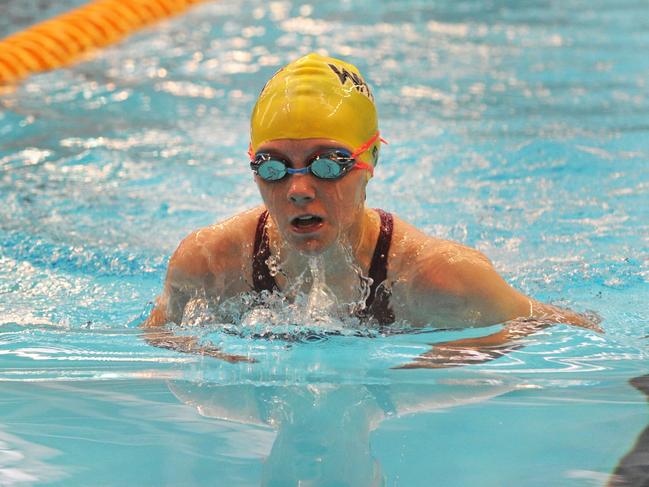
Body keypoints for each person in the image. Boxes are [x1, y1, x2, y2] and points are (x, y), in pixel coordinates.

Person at [143, 53, 600, 366]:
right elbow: (159, 339)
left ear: (371, 161)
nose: (299, 188)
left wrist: (451, 359)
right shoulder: (208, 263)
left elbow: (567, 330)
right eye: (273, 166)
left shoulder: (442, 278)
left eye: (328, 164)